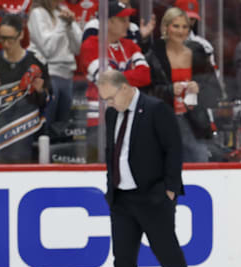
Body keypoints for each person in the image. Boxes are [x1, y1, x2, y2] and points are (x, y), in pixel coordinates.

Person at [89, 70, 200, 267]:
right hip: (122, 198)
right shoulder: (112, 113)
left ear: (125, 88)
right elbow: (111, 153)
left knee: (168, 254)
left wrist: (170, 190)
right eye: (105, 99)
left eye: (111, 97)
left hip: (153, 196)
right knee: (123, 259)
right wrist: (110, 189)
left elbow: (174, 149)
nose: (109, 103)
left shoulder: (155, 109)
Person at [145, 6, 222, 162]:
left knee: (199, 158)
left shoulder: (199, 53)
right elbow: (145, 93)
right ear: (165, 27)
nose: (181, 31)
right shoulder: (154, 55)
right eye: (176, 26)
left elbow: (215, 93)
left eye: (185, 27)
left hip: (195, 124)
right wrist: (169, 90)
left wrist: (199, 88)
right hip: (163, 122)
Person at [0, 13, 50, 163]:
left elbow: (46, 101)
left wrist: (39, 91)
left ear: (21, 35)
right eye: (1, 38)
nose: (5, 44)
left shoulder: (36, 61)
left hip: (25, 132)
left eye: (10, 39)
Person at [79, 0, 150, 136]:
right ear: (109, 22)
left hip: (129, 116)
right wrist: (131, 74)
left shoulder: (130, 45)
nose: (128, 24)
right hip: (100, 119)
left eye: (128, 20)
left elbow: (145, 75)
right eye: (122, 20)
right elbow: (108, 82)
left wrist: (119, 76)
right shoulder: (90, 45)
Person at [27, 0, 82, 136]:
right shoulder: (37, 13)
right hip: (47, 74)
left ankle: (56, 155)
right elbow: (48, 49)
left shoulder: (62, 11)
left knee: (61, 128)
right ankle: (42, 156)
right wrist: (63, 24)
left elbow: (78, 48)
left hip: (67, 75)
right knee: (46, 125)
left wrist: (70, 25)